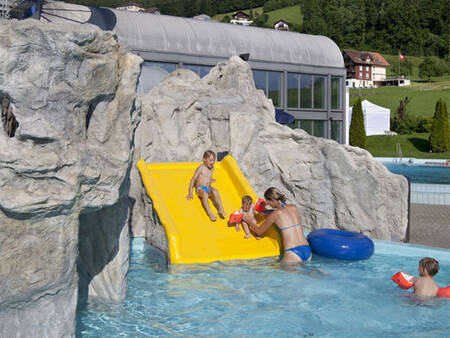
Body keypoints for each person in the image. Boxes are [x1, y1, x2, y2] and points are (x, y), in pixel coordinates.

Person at [245, 187, 310, 263]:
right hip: (307, 249)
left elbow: (259, 231)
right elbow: (283, 212)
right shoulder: (294, 207)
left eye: (268, 201)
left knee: (275, 269)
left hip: (293, 251)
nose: (267, 204)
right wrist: (264, 212)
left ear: (272, 200)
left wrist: (248, 220)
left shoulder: (275, 214)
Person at [186, 150, 225, 221]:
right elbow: (193, 179)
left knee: (215, 191)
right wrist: (190, 193)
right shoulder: (200, 168)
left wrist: (210, 180)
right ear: (204, 159)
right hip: (200, 189)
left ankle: (220, 209)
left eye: (213, 160)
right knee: (205, 194)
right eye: (210, 160)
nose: (212, 162)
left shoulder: (212, 168)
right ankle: (210, 213)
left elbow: (207, 176)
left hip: (208, 188)